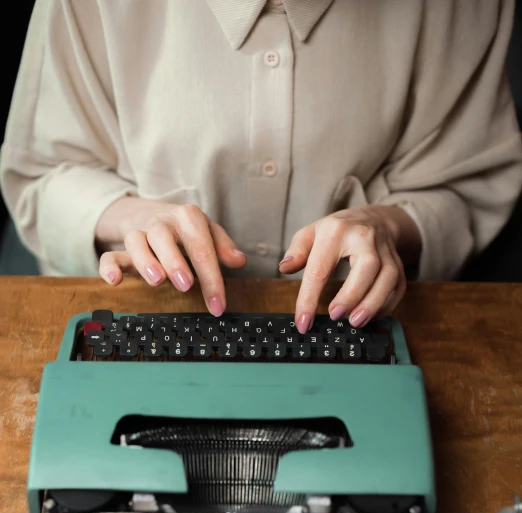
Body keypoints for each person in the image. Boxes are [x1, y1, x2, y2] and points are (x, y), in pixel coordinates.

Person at [1, 0, 521, 333]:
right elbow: (41, 174)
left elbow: (468, 183)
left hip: (368, 331)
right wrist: (131, 218)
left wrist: (387, 226)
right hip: (141, 322)